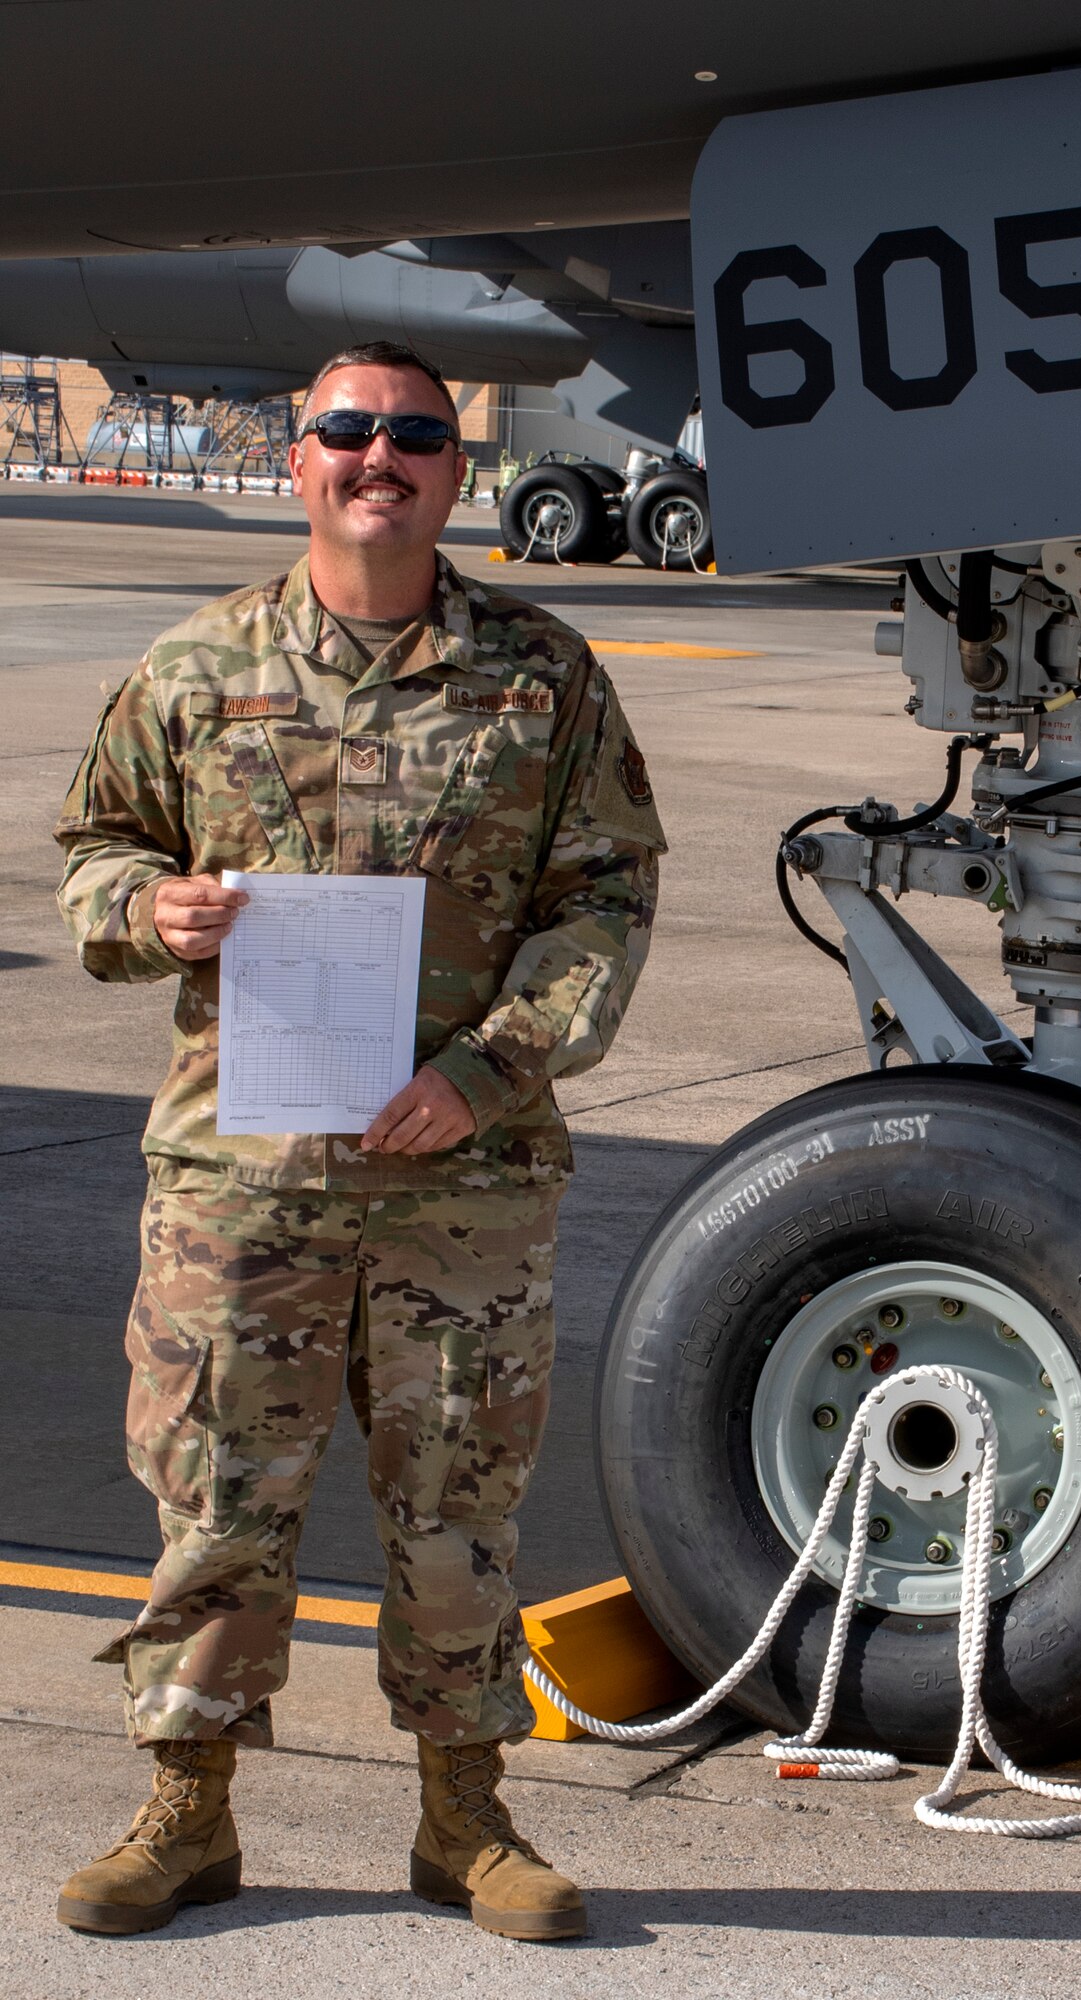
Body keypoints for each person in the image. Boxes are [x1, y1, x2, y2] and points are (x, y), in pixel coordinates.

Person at [52, 340, 665, 1943]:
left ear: (457, 471)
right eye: (346, 431)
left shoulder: (542, 678)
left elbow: (604, 898)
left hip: (456, 1184)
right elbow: (94, 853)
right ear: (300, 460)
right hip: (239, 1182)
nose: (375, 457)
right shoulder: (194, 668)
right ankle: (186, 1813)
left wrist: (494, 1067)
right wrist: (150, 908)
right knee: (215, 1499)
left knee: (457, 1509)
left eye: (412, 435)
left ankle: (464, 1824)